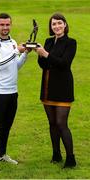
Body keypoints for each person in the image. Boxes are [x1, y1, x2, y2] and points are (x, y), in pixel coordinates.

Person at [0, 13, 31, 173]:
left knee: (7, 126)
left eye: (7, 25)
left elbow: (13, 66)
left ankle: (2, 154)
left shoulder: (12, 42)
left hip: (12, 91)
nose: (5, 27)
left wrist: (24, 54)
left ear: (11, 25)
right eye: (2, 25)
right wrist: (16, 51)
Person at [34, 13, 77, 168]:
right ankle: (56, 154)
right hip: (47, 87)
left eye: (59, 23)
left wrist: (46, 54)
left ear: (65, 25)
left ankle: (71, 158)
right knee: (52, 123)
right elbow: (44, 65)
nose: (57, 26)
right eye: (54, 24)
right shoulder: (48, 41)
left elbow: (64, 64)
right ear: (51, 27)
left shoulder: (71, 43)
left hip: (63, 88)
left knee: (61, 123)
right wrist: (40, 55)